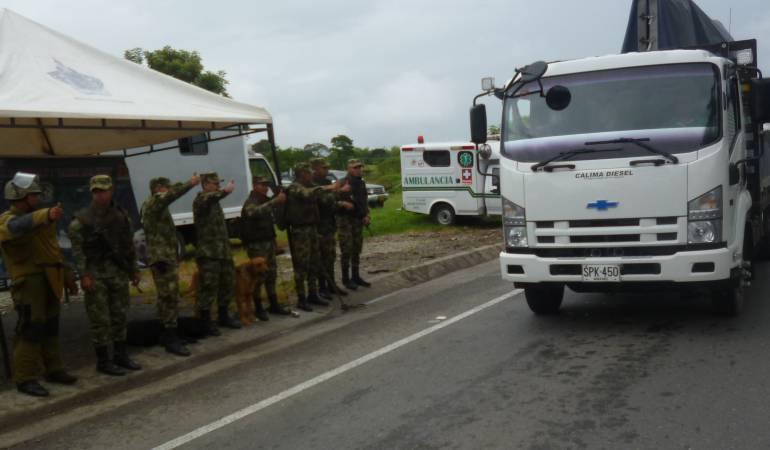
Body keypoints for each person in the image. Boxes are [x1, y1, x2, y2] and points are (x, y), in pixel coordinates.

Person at [0, 172, 77, 397]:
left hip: (49, 277)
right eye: (33, 194)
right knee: (30, 329)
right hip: (28, 282)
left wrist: (67, 275)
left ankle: (54, 369)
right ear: (21, 196)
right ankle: (25, 378)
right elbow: (16, 228)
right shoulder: (7, 220)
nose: (37, 197)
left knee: (51, 326)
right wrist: (46, 214)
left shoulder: (40, 217)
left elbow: (52, 249)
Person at [69, 175, 142, 376]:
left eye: (103, 190)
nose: (100, 194)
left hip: (118, 272)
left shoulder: (120, 215)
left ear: (111, 191)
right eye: (96, 191)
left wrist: (133, 269)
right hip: (96, 275)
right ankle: (103, 361)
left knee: (119, 315)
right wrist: (83, 275)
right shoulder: (81, 221)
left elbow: (128, 245)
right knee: (100, 319)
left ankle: (121, 355)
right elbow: (78, 251)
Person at [141, 174, 200, 356]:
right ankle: (170, 337)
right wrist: (190, 183)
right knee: (169, 297)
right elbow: (172, 195)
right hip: (162, 259)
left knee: (167, 297)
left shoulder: (156, 205)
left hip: (165, 257)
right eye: (167, 187)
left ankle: (168, 334)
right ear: (158, 188)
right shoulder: (155, 202)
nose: (169, 190)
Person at [285, 163, 340, 311]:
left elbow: (318, 195)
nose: (310, 175)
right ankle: (302, 298)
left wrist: (332, 191)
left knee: (314, 262)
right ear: (302, 174)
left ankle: (313, 293)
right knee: (302, 264)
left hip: (312, 228)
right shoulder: (294, 187)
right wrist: (328, 188)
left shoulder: (310, 186)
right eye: (308, 173)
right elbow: (307, 194)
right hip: (300, 230)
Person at [193, 172, 241, 335]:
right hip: (209, 254)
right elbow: (209, 199)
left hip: (223, 251)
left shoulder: (214, 201)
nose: (218, 186)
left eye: (219, 184)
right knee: (208, 287)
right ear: (205, 185)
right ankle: (205, 321)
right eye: (215, 184)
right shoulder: (201, 200)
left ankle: (223, 315)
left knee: (227, 284)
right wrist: (226, 191)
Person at [240, 176, 290, 321]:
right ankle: (258, 307)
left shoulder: (263, 200)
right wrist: (275, 201)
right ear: (255, 186)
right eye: (262, 185)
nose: (265, 187)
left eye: (266, 185)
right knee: (258, 277)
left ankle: (273, 303)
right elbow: (253, 212)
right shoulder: (251, 202)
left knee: (271, 273)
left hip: (268, 242)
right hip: (256, 245)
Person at [310, 157, 350, 299]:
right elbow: (323, 200)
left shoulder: (326, 183)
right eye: (324, 168)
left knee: (330, 257)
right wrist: (338, 191)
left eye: (327, 168)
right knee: (321, 258)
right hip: (319, 226)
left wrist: (337, 200)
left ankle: (331, 284)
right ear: (315, 168)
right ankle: (322, 288)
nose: (327, 170)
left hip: (329, 224)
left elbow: (331, 203)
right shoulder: (312, 184)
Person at [337, 159, 372, 289]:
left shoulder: (361, 183)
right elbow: (330, 200)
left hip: (358, 219)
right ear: (349, 169)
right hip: (345, 220)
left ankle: (356, 276)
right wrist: (342, 203)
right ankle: (346, 279)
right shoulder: (342, 182)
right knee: (346, 249)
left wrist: (367, 215)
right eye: (355, 167)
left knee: (357, 248)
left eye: (359, 167)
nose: (358, 169)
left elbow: (364, 200)